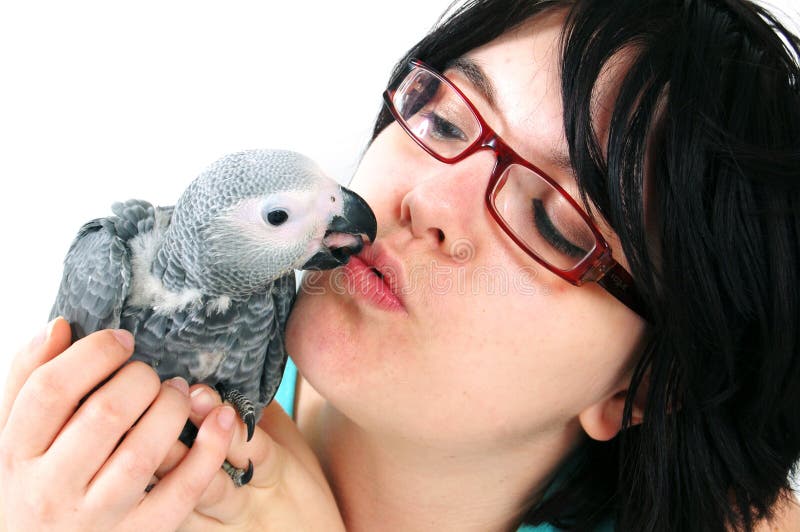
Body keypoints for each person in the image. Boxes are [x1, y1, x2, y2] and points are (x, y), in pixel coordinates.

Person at [2, 0, 800, 530]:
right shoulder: (95, 458)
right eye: (445, 119)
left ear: (644, 389)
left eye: (554, 222)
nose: (428, 199)